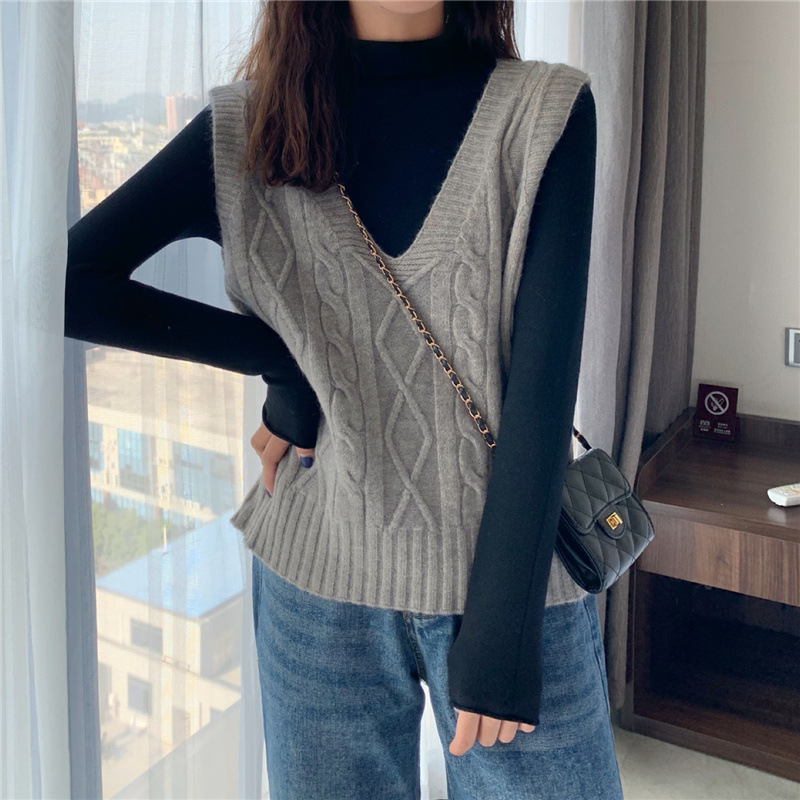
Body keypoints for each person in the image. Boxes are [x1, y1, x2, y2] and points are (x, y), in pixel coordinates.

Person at [65, 1, 623, 798]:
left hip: (514, 583)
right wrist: (282, 365)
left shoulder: (545, 110)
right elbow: (69, 283)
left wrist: (504, 629)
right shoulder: (246, 129)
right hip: (314, 586)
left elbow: (545, 386)